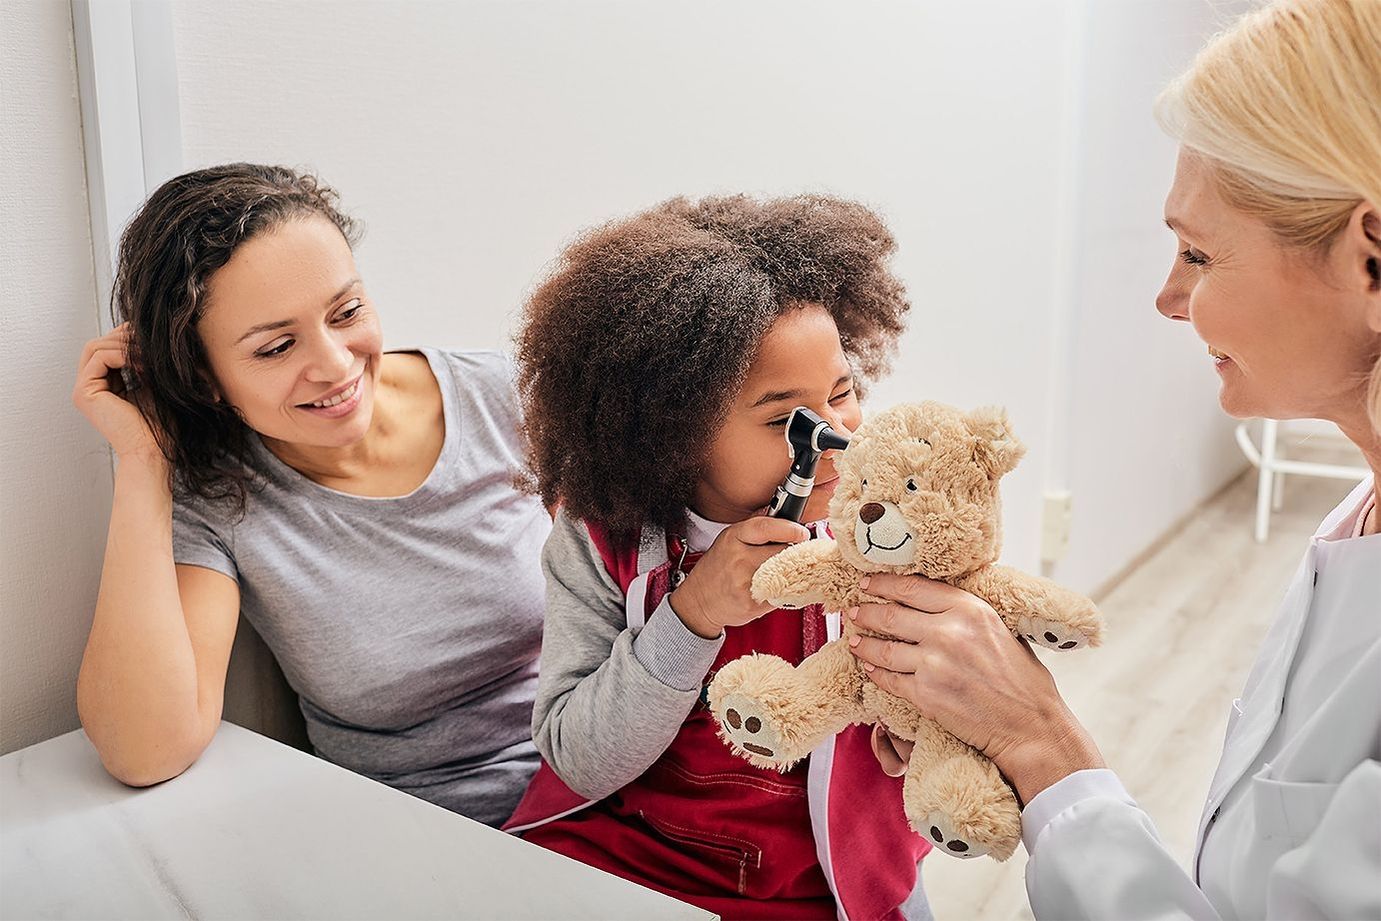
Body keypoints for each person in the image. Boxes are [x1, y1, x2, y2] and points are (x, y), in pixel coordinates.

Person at [846, 1, 1381, 916]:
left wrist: (1041, 741)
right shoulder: (1356, 519)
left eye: (1198, 253)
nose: (1169, 298)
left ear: (1370, 258)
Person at [71, 164, 550, 827]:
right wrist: (142, 456)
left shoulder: (504, 397)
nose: (335, 364)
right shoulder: (218, 499)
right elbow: (143, 748)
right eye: (275, 347)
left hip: (627, 784)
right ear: (204, 376)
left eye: (347, 311)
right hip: (441, 841)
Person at [502, 195, 933, 920]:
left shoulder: (883, 528)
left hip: (816, 875)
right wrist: (692, 614)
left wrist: (915, 734)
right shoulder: (600, 537)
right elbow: (577, 756)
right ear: (673, 431)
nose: (835, 436)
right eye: (782, 420)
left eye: (842, 391)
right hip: (622, 851)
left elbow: (936, 721)